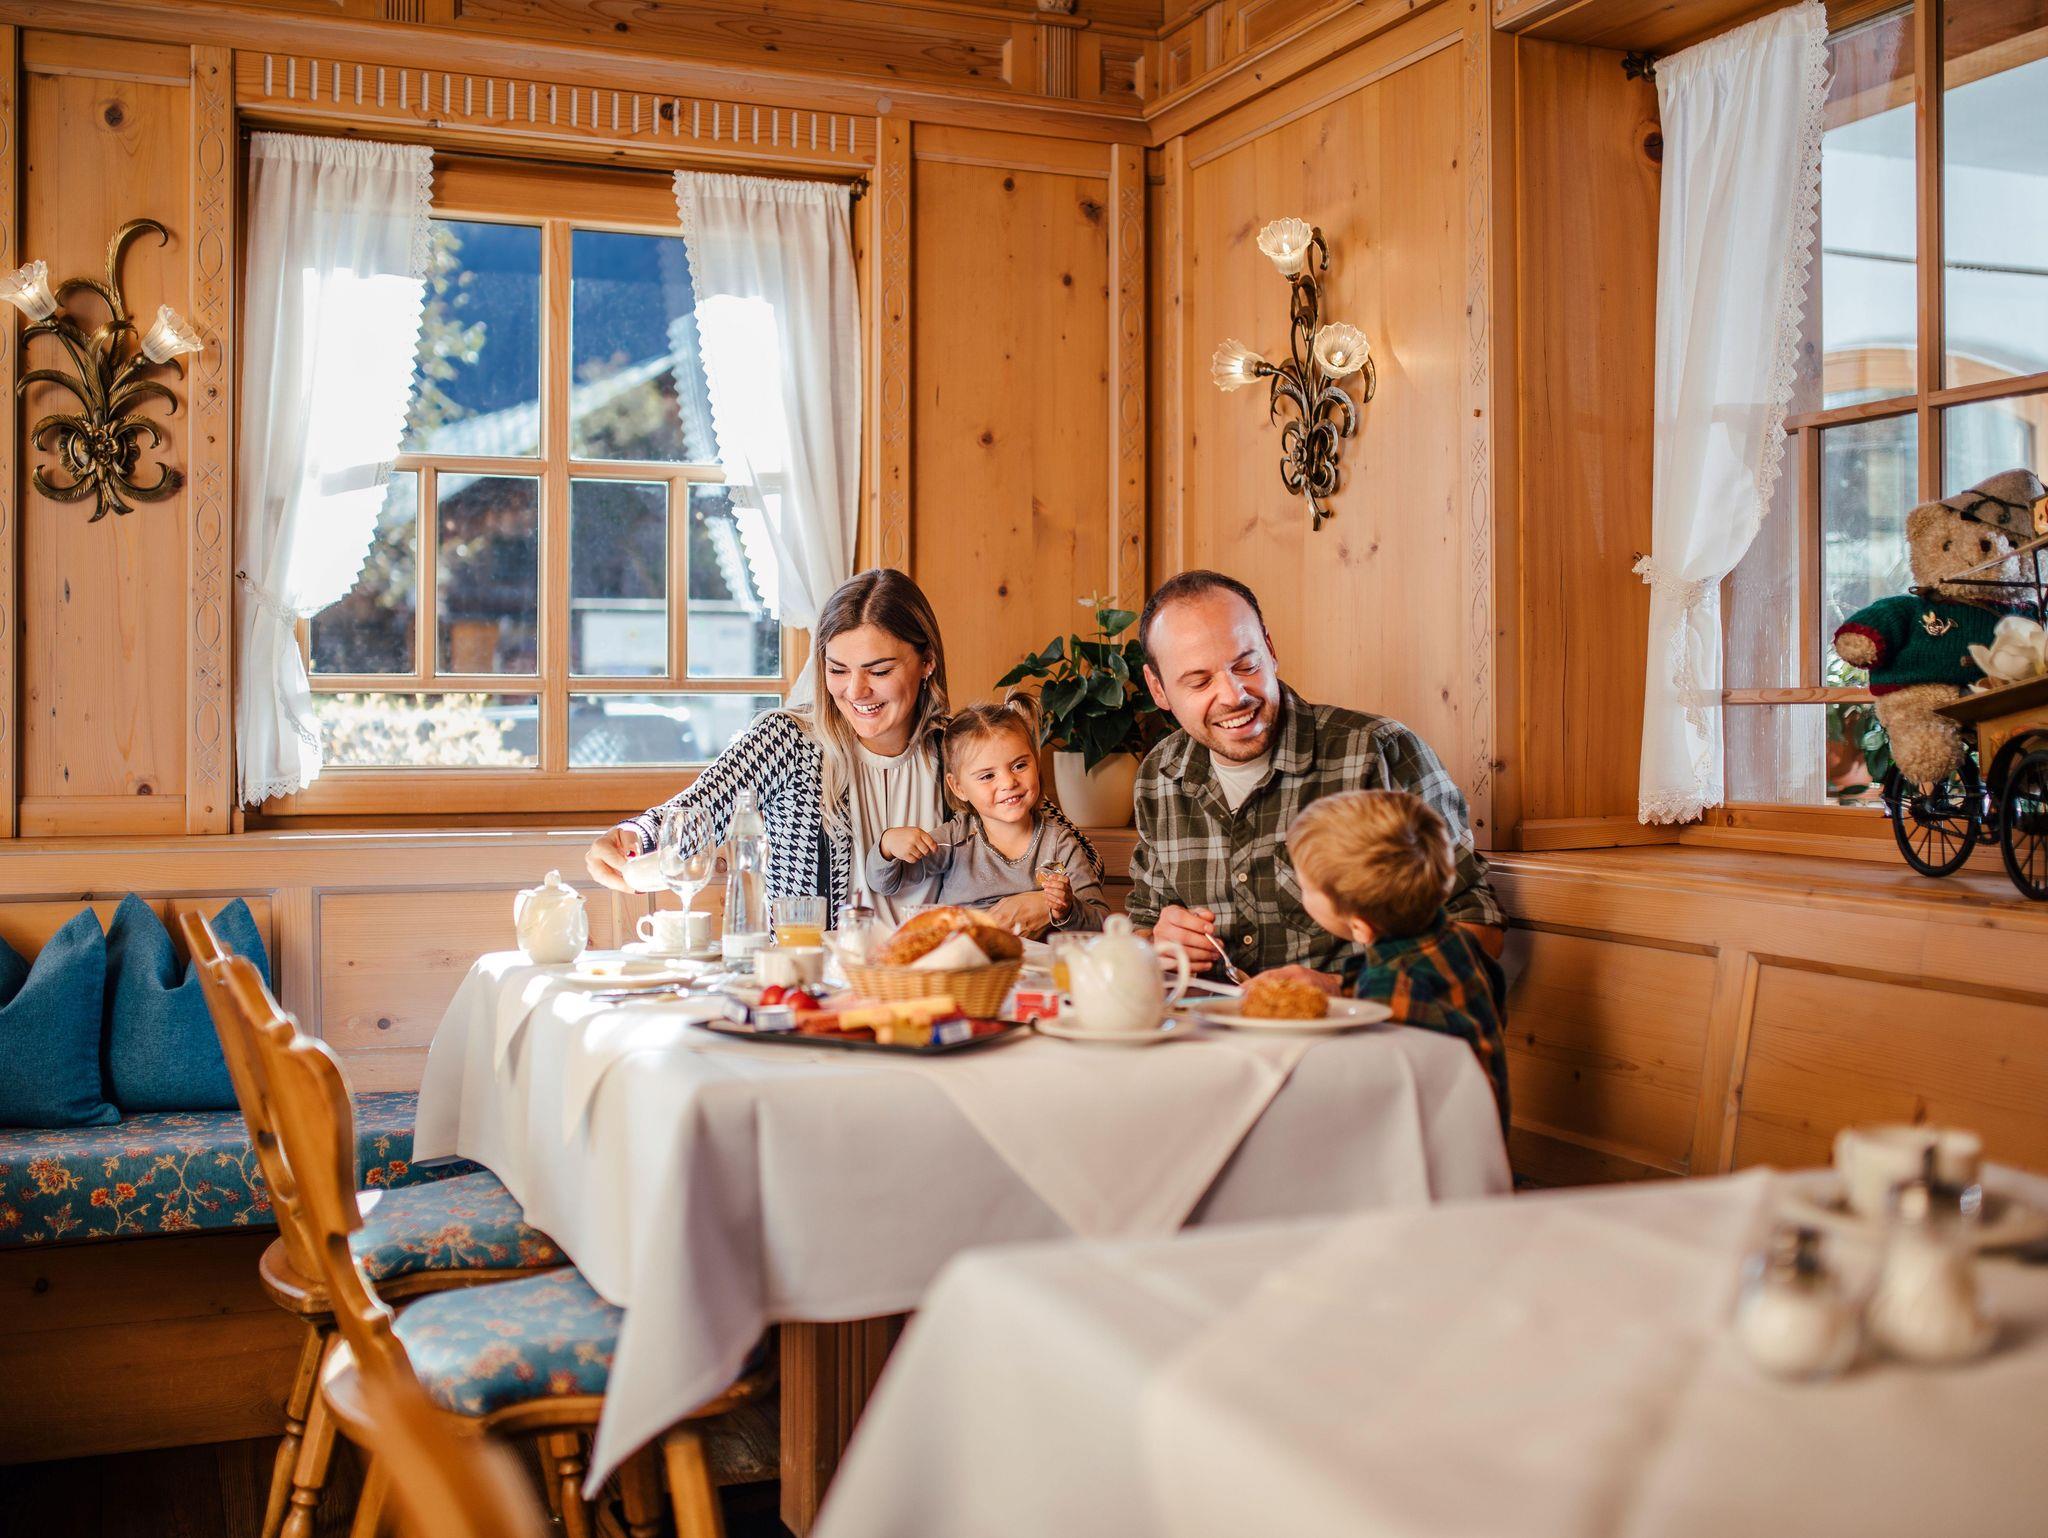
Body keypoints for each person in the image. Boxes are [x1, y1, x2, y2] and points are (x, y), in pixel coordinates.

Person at [1126, 568, 1504, 991]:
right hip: (1207, 1027)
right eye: (1199, 681)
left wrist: (1340, 989)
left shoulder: (1377, 751)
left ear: (1270, 649)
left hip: (1358, 1027)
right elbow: (1142, 926)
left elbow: (1479, 929)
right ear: (1158, 689)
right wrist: (1157, 943)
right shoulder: (1158, 775)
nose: (1234, 696)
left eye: (1246, 665)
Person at [585, 569, 956, 927]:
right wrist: (636, 835)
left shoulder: (956, 750)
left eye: (879, 671)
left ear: (926, 662)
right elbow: (703, 807)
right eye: (838, 670)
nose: (856, 691)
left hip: (940, 965)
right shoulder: (790, 740)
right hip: (812, 966)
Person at [1286, 789, 1508, 1126]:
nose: (1302, 892)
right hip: (1479, 1131)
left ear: (1360, 927)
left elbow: (1375, 1095)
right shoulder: (1450, 938)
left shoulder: (1393, 986)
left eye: (1305, 887)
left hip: (1430, 1144)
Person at [869, 696, 1109, 930]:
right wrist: (887, 845)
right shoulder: (955, 839)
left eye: (1019, 765)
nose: (1008, 782)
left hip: (1036, 957)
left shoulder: (1059, 844)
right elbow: (885, 882)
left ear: (1036, 763)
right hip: (966, 953)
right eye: (987, 776)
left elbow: (1101, 920)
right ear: (959, 787)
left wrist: (1067, 909)